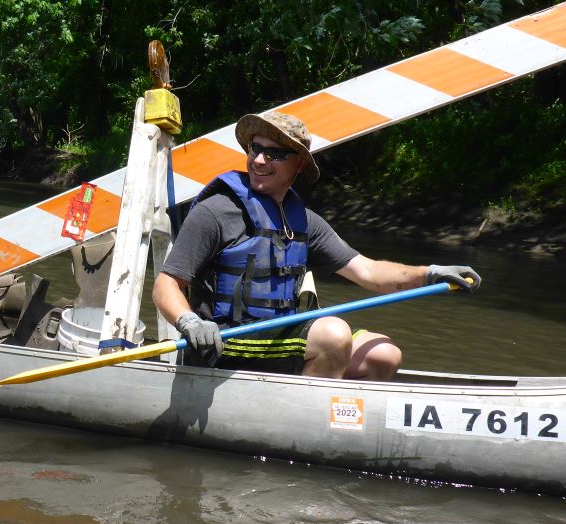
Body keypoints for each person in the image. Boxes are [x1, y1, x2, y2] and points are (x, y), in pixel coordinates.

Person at [152, 112, 481, 380]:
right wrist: (190, 323)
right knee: (333, 335)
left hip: (280, 337)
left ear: (298, 165)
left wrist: (431, 274)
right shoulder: (216, 212)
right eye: (255, 148)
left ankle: (335, 416)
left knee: (384, 354)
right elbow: (166, 286)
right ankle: (302, 422)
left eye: (275, 154)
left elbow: (369, 272)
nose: (259, 160)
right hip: (227, 342)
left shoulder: (305, 222)